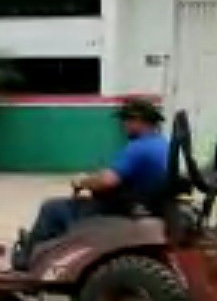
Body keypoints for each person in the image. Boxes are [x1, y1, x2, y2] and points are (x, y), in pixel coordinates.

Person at [13, 97, 170, 269]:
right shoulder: (162, 144)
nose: (123, 124)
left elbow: (108, 180)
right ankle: (43, 249)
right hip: (142, 205)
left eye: (126, 120)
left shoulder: (139, 148)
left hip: (119, 210)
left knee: (52, 208)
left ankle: (28, 259)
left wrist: (82, 182)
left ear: (139, 121)